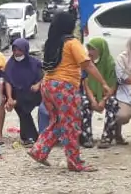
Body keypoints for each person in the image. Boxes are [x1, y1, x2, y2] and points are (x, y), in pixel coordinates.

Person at [28, 12, 108, 172]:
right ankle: (74, 162)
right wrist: (103, 83)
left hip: (48, 85)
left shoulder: (52, 42)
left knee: (57, 122)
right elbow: (88, 65)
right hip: (64, 87)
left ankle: (39, 151)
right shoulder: (72, 43)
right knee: (71, 124)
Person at [80, 38, 120, 149]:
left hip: (105, 95)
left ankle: (107, 137)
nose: (90, 52)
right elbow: (85, 83)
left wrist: (103, 100)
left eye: (93, 49)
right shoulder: (86, 63)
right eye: (89, 49)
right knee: (83, 102)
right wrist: (93, 100)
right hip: (91, 94)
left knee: (113, 104)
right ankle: (86, 136)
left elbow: (112, 85)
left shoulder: (110, 63)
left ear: (101, 50)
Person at [3, 38, 43, 145]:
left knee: (21, 105)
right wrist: (10, 98)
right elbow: (8, 81)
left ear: (25, 50)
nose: (16, 53)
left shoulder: (34, 63)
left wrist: (37, 84)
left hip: (34, 93)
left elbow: (44, 76)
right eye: (14, 50)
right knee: (23, 111)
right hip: (18, 94)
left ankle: (28, 136)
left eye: (19, 50)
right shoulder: (11, 64)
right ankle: (29, 137)